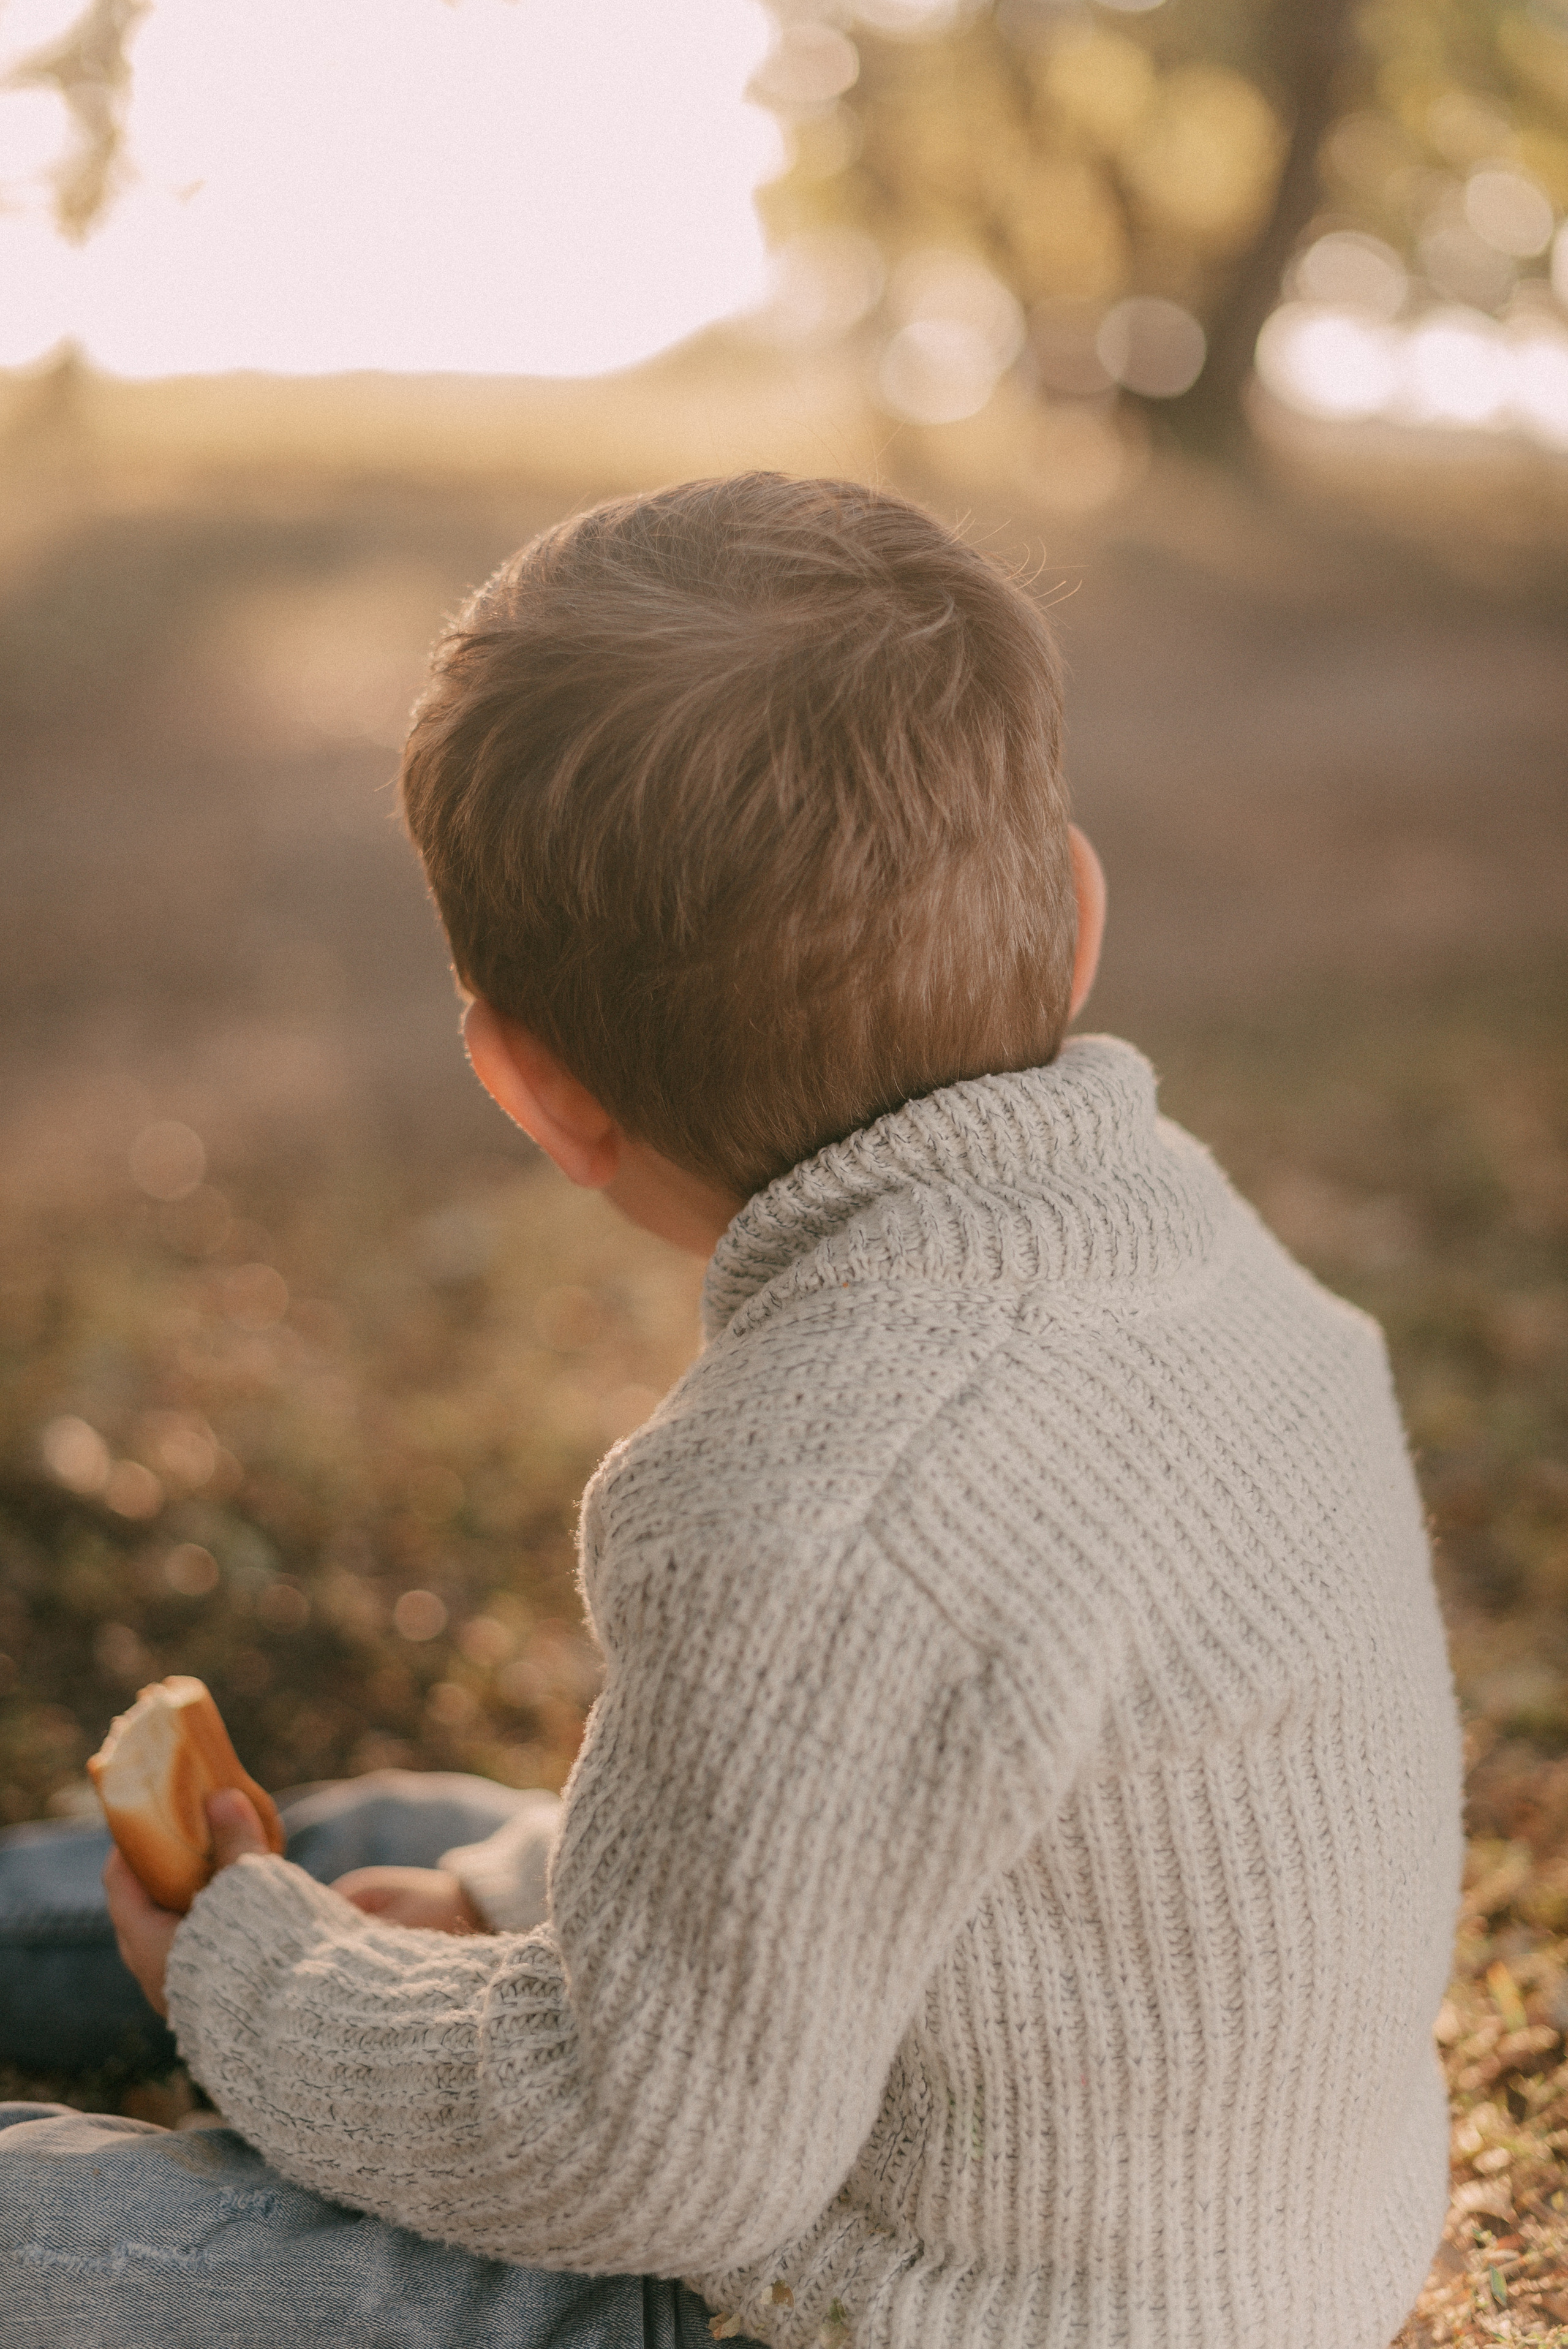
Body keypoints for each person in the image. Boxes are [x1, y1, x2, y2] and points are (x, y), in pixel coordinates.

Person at [0, 475, 1461, 2349]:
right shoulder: (1208, 1264)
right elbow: (887, 1777)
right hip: (1206, 2223)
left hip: (912, 2310)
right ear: (1080, 913)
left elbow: (652, 2149)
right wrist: (480, 1910)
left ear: (532, 1087)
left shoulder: (815, 1498)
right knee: (422, 1831)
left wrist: (253, 1983)